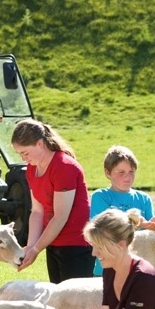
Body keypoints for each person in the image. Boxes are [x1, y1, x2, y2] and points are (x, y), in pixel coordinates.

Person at [12, 119, 94, 283]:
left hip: (76, 245)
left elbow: (60, 216)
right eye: (19, 153)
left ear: (40, 144)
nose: (23, 158)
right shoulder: (32, 168)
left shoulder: (64, 166)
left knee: (74, 303)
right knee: (59, 300)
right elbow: (37, 211)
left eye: (25, 153)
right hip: (53, 243)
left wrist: (36, 249)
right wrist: (29, 247)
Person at [90, 145, 155, 276]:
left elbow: (150, 237)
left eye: (131, 171)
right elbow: (102, 230)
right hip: (107, 269)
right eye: (121, 172)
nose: (128, 177)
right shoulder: (100, 196)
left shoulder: (144, 198)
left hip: (138, 269)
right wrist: (138, 223)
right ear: (107, 173)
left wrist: (153, 227)